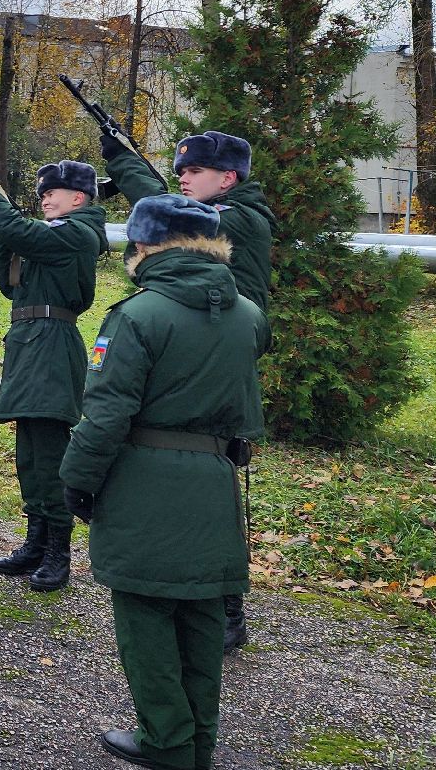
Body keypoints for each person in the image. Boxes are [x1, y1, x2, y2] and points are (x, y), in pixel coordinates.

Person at [61, 194, 268, 770]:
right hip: (216, 482)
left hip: (144, 483)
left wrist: (77, 480)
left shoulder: (136, 316)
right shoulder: (248, 315)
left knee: (146, 617)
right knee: (202, 616)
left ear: (145, 244)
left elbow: (106, 414)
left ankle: (167, 743)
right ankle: (198, 742)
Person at [103, 127, 272, 652]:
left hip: (219, 350)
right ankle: (198, 597)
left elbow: (162, 211)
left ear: (228, 178)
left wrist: (121, 160)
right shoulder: (222, 212)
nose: (183, 178)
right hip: (202, 343)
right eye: (181, 170)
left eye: (195, 170)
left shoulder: (240, 216)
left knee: (213, 485)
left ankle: (227, 609)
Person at [0, 160, 109, 593]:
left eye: (53, 192)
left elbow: (21, 232)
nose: (45, 199)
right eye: (43, 193)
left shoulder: (77, 233)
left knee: (49, 453)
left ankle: (57, 552)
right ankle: (36, 541)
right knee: (29, 453)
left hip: (51, 342)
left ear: (79, 198)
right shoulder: (50, 237)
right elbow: (10, 285)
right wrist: (4, 235)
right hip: (29, 340)